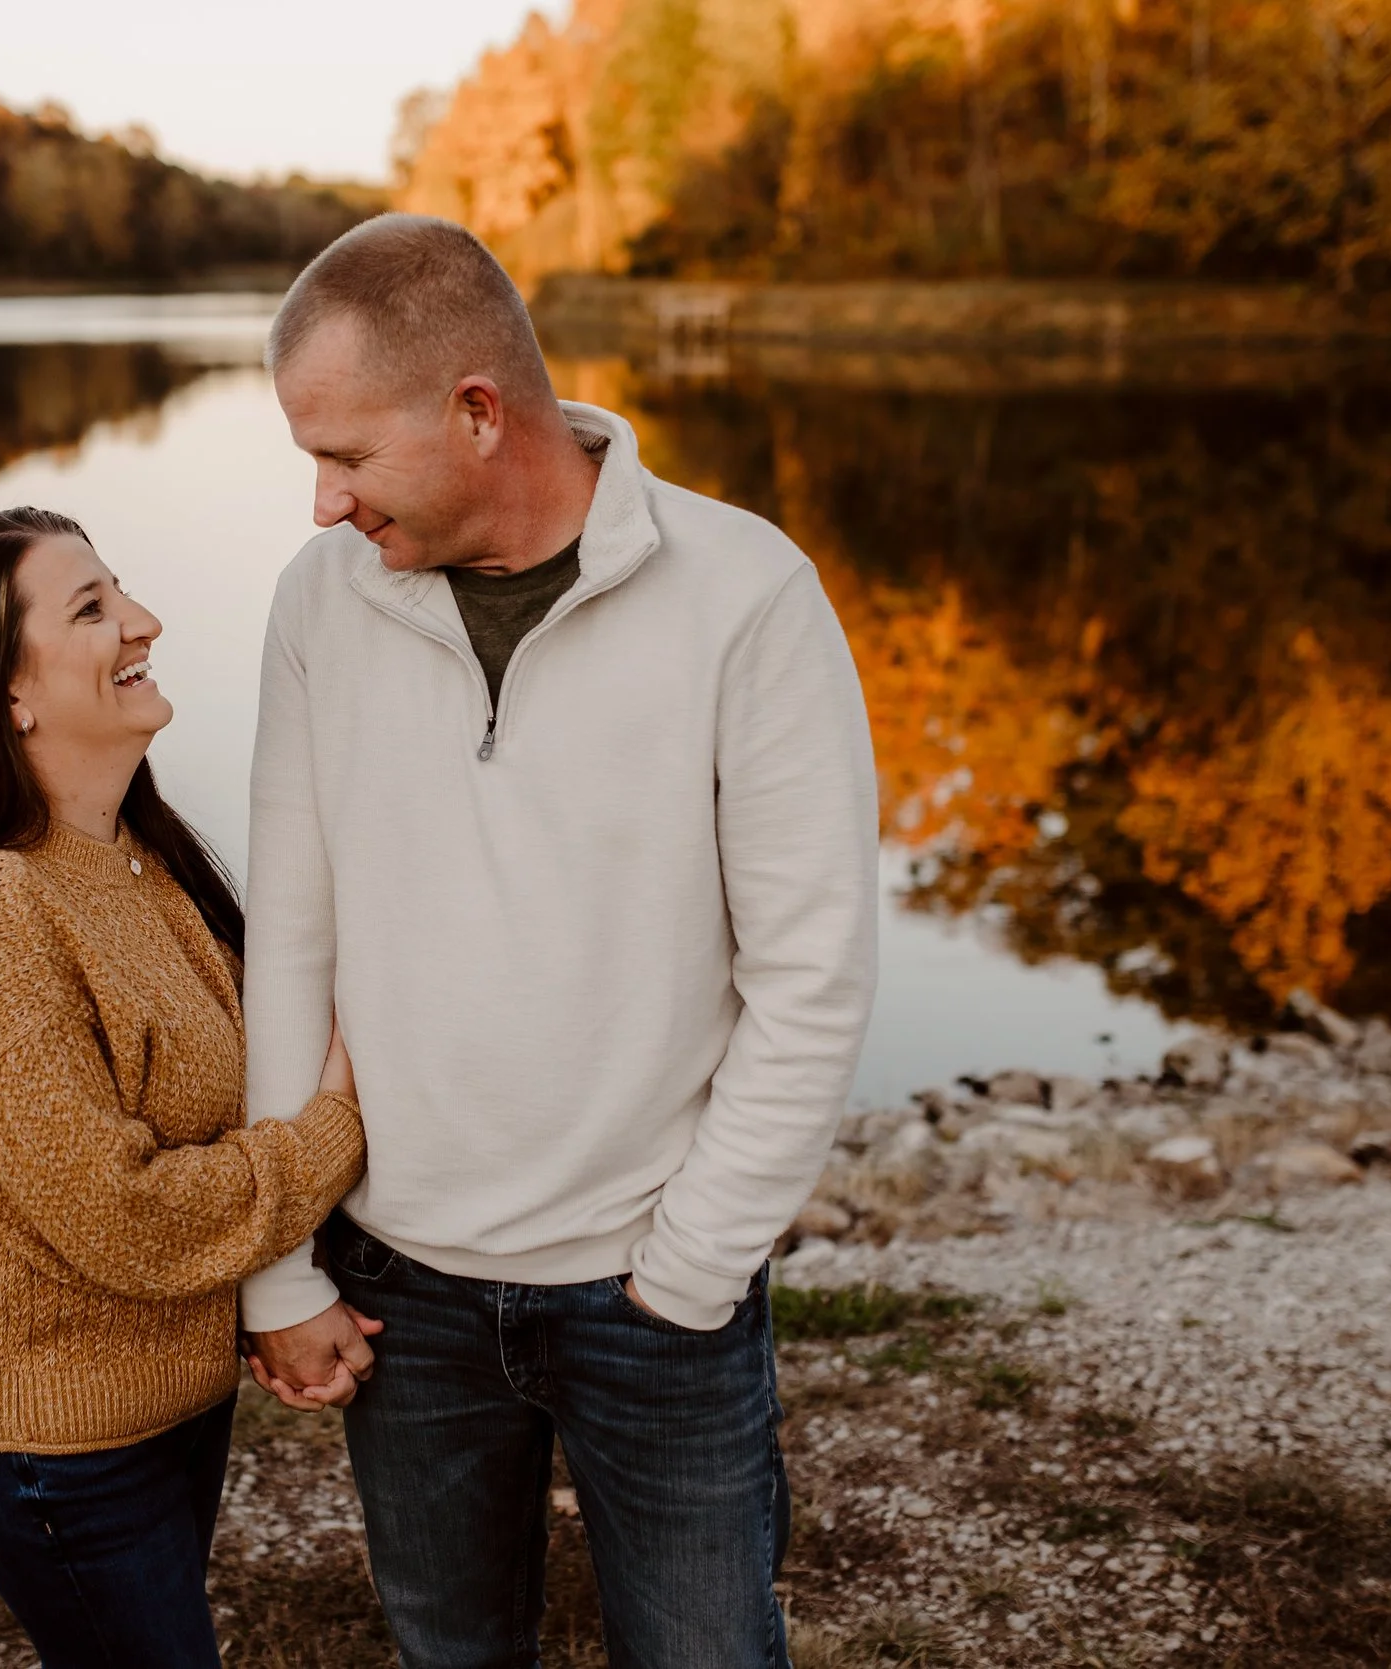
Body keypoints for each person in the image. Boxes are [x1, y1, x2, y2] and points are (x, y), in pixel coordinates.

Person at [239, 217, 880, 1667]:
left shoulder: (745, 592)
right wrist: (281, 1269)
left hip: (654, 1287)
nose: (324, 506)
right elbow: (291, 939)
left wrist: (694, 1266)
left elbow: (811, 970)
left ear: (479, 412)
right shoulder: (317, 604)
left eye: (346, 456)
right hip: (401, 1290)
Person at [0, 505, 371, 1666]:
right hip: (52, 1436)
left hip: (157, 1400)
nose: (145, 621)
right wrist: (333, 1130)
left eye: (119, 591)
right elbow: (118, 1214)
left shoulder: (127, 855)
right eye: (92, 609)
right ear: (5, 695)